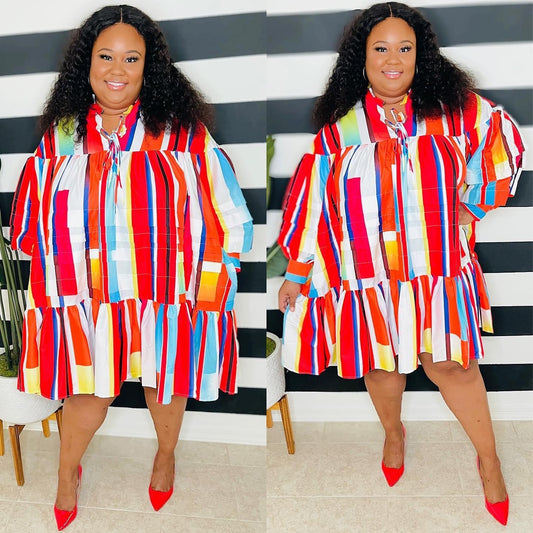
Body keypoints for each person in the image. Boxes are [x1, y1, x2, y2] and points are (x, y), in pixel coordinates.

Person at [277, 2, 523, 526]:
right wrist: (297, 271)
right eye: (381, 48)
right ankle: (393, 433)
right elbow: (312, 202)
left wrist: (476, 203)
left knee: (453, 366)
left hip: (438, 271)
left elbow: (504, 141)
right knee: (382, 365)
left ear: (420, 55)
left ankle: (490, 461)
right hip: (367, 275)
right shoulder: (340, 133)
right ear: (362, 59)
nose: (393, 59)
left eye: (404, 48)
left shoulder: (454, 112)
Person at [10, 5, 252, 530]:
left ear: (148, 67)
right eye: (105, 56)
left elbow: (227, 207)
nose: (117, 69)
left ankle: (165, 456)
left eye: (131, 58)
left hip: (165, 292)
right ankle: (67, 473)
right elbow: (32, 225)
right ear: (87, 64)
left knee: (165, 385)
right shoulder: (61, 139)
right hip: (90, 297)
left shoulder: (181, 135)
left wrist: (219, 274)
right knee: (89, 395)